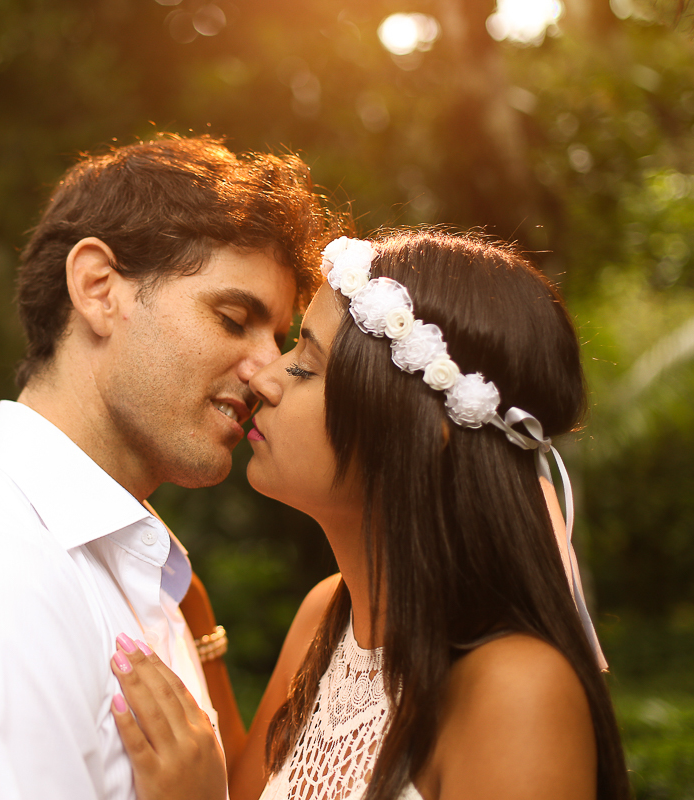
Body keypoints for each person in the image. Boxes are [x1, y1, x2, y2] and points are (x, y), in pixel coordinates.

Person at [0, 135, 338, 799]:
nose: (267, 369)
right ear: (99, 289)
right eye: (233, 317)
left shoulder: (119, 565)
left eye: (277, 337)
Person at [107, 230, 632, 800]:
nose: (262, 378)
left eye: (306, 366)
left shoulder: (517, 690)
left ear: (419, 430)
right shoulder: (324, 619)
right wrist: (196, 620)